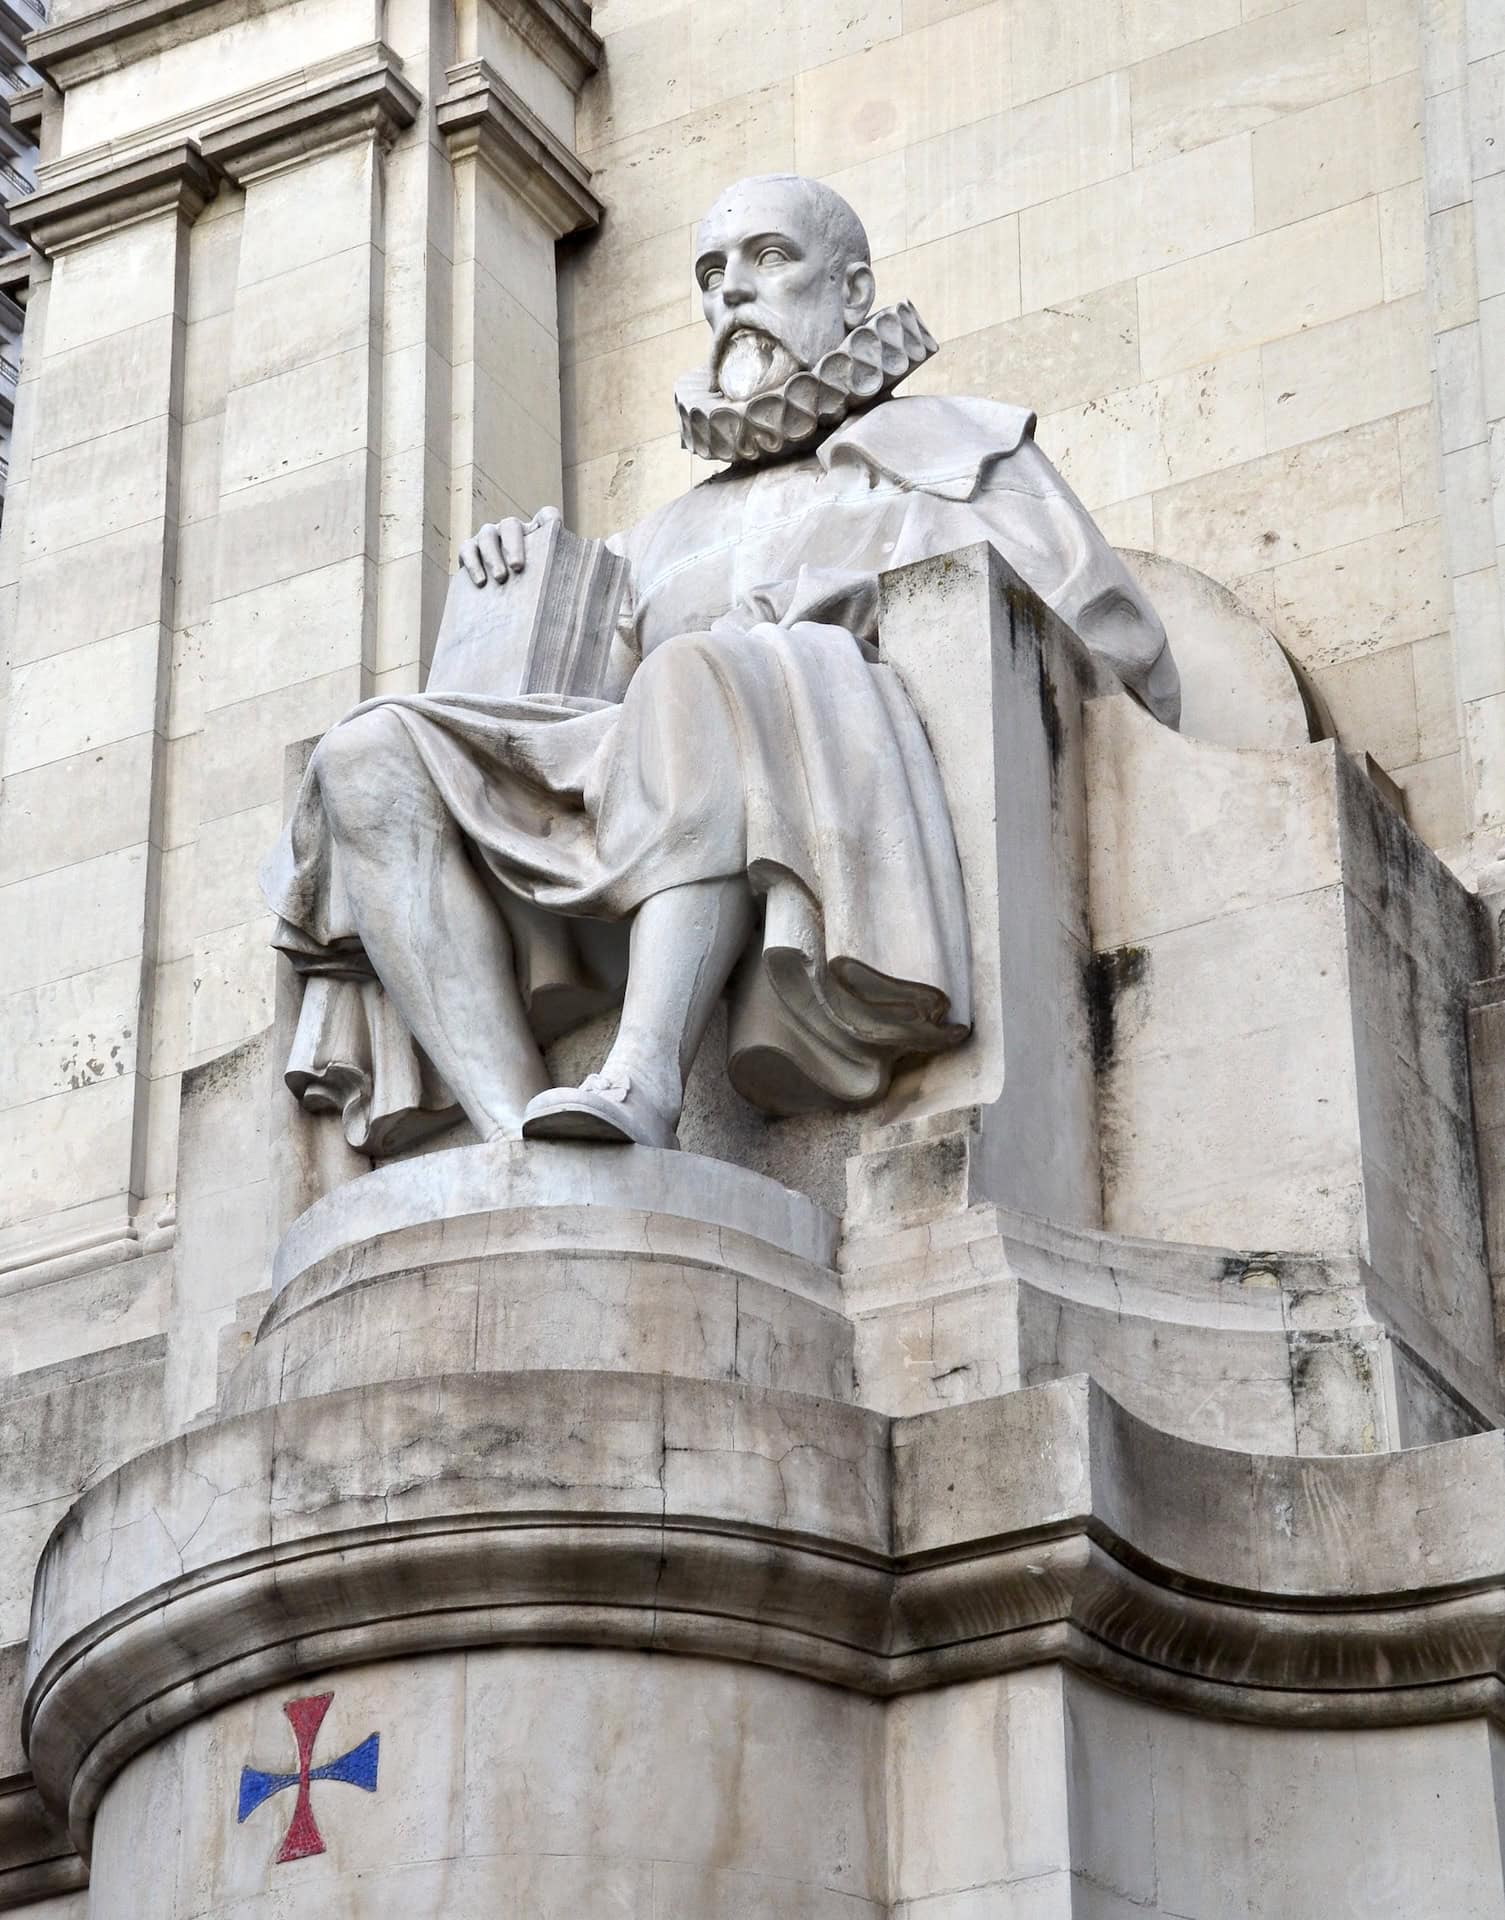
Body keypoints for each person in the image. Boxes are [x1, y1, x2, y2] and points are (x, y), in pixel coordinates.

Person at [263, 173, 1179, 1154]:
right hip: (639, 811)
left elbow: (1104, 648)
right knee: (366, 755)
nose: (732, 292)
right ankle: (512, 1142)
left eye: (768, 258)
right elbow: (560, 732)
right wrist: (517, 596)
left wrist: (824, 613)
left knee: (694, 674)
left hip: (811, 779)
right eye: (711, 272)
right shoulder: (659, 535)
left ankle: (645, 1075)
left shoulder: (958, 448)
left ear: (853, 292)